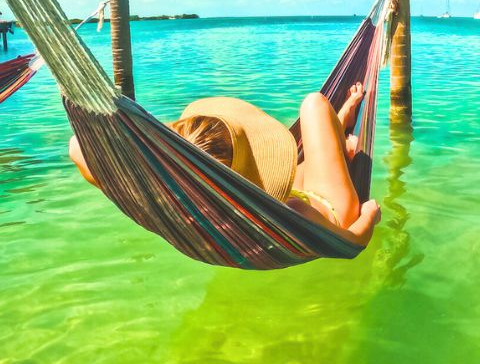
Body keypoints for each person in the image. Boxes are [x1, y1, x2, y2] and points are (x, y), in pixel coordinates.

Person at [69, 83, 381, 246]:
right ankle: (343, 130)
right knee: (315, 104)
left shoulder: (163, 201)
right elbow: (354, 241)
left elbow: (77, 147)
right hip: (332, 209)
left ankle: (341, 140)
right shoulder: (293, 215)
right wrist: (368, 215)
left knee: (310, 162)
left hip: (279, 197)